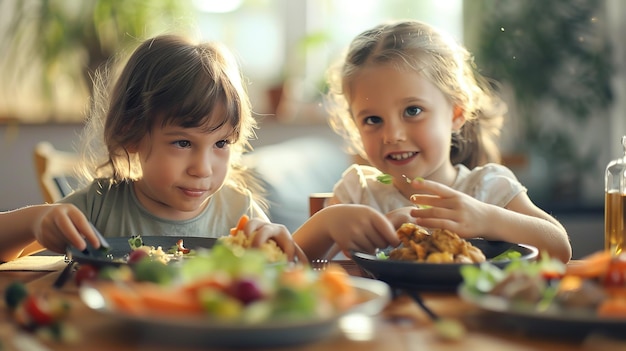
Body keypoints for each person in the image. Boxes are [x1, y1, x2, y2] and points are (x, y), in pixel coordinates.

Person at [0, 34, 305, 263]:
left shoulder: (239, 210)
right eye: (183, 143)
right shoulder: (99, 205)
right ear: (129, 133)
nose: (203, 168)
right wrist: (36, 220)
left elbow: (293, 272)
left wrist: (279, 247)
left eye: (221, 143)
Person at [293, 20, 572, 263]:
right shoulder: (358, 193)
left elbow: (559, 248)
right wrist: (327, 223)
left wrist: (486, 219)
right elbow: (290, 263)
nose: (392, 135)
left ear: (456, 114)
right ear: (355, 126)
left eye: (412, 111)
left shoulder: (487, 188)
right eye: (373, 120)